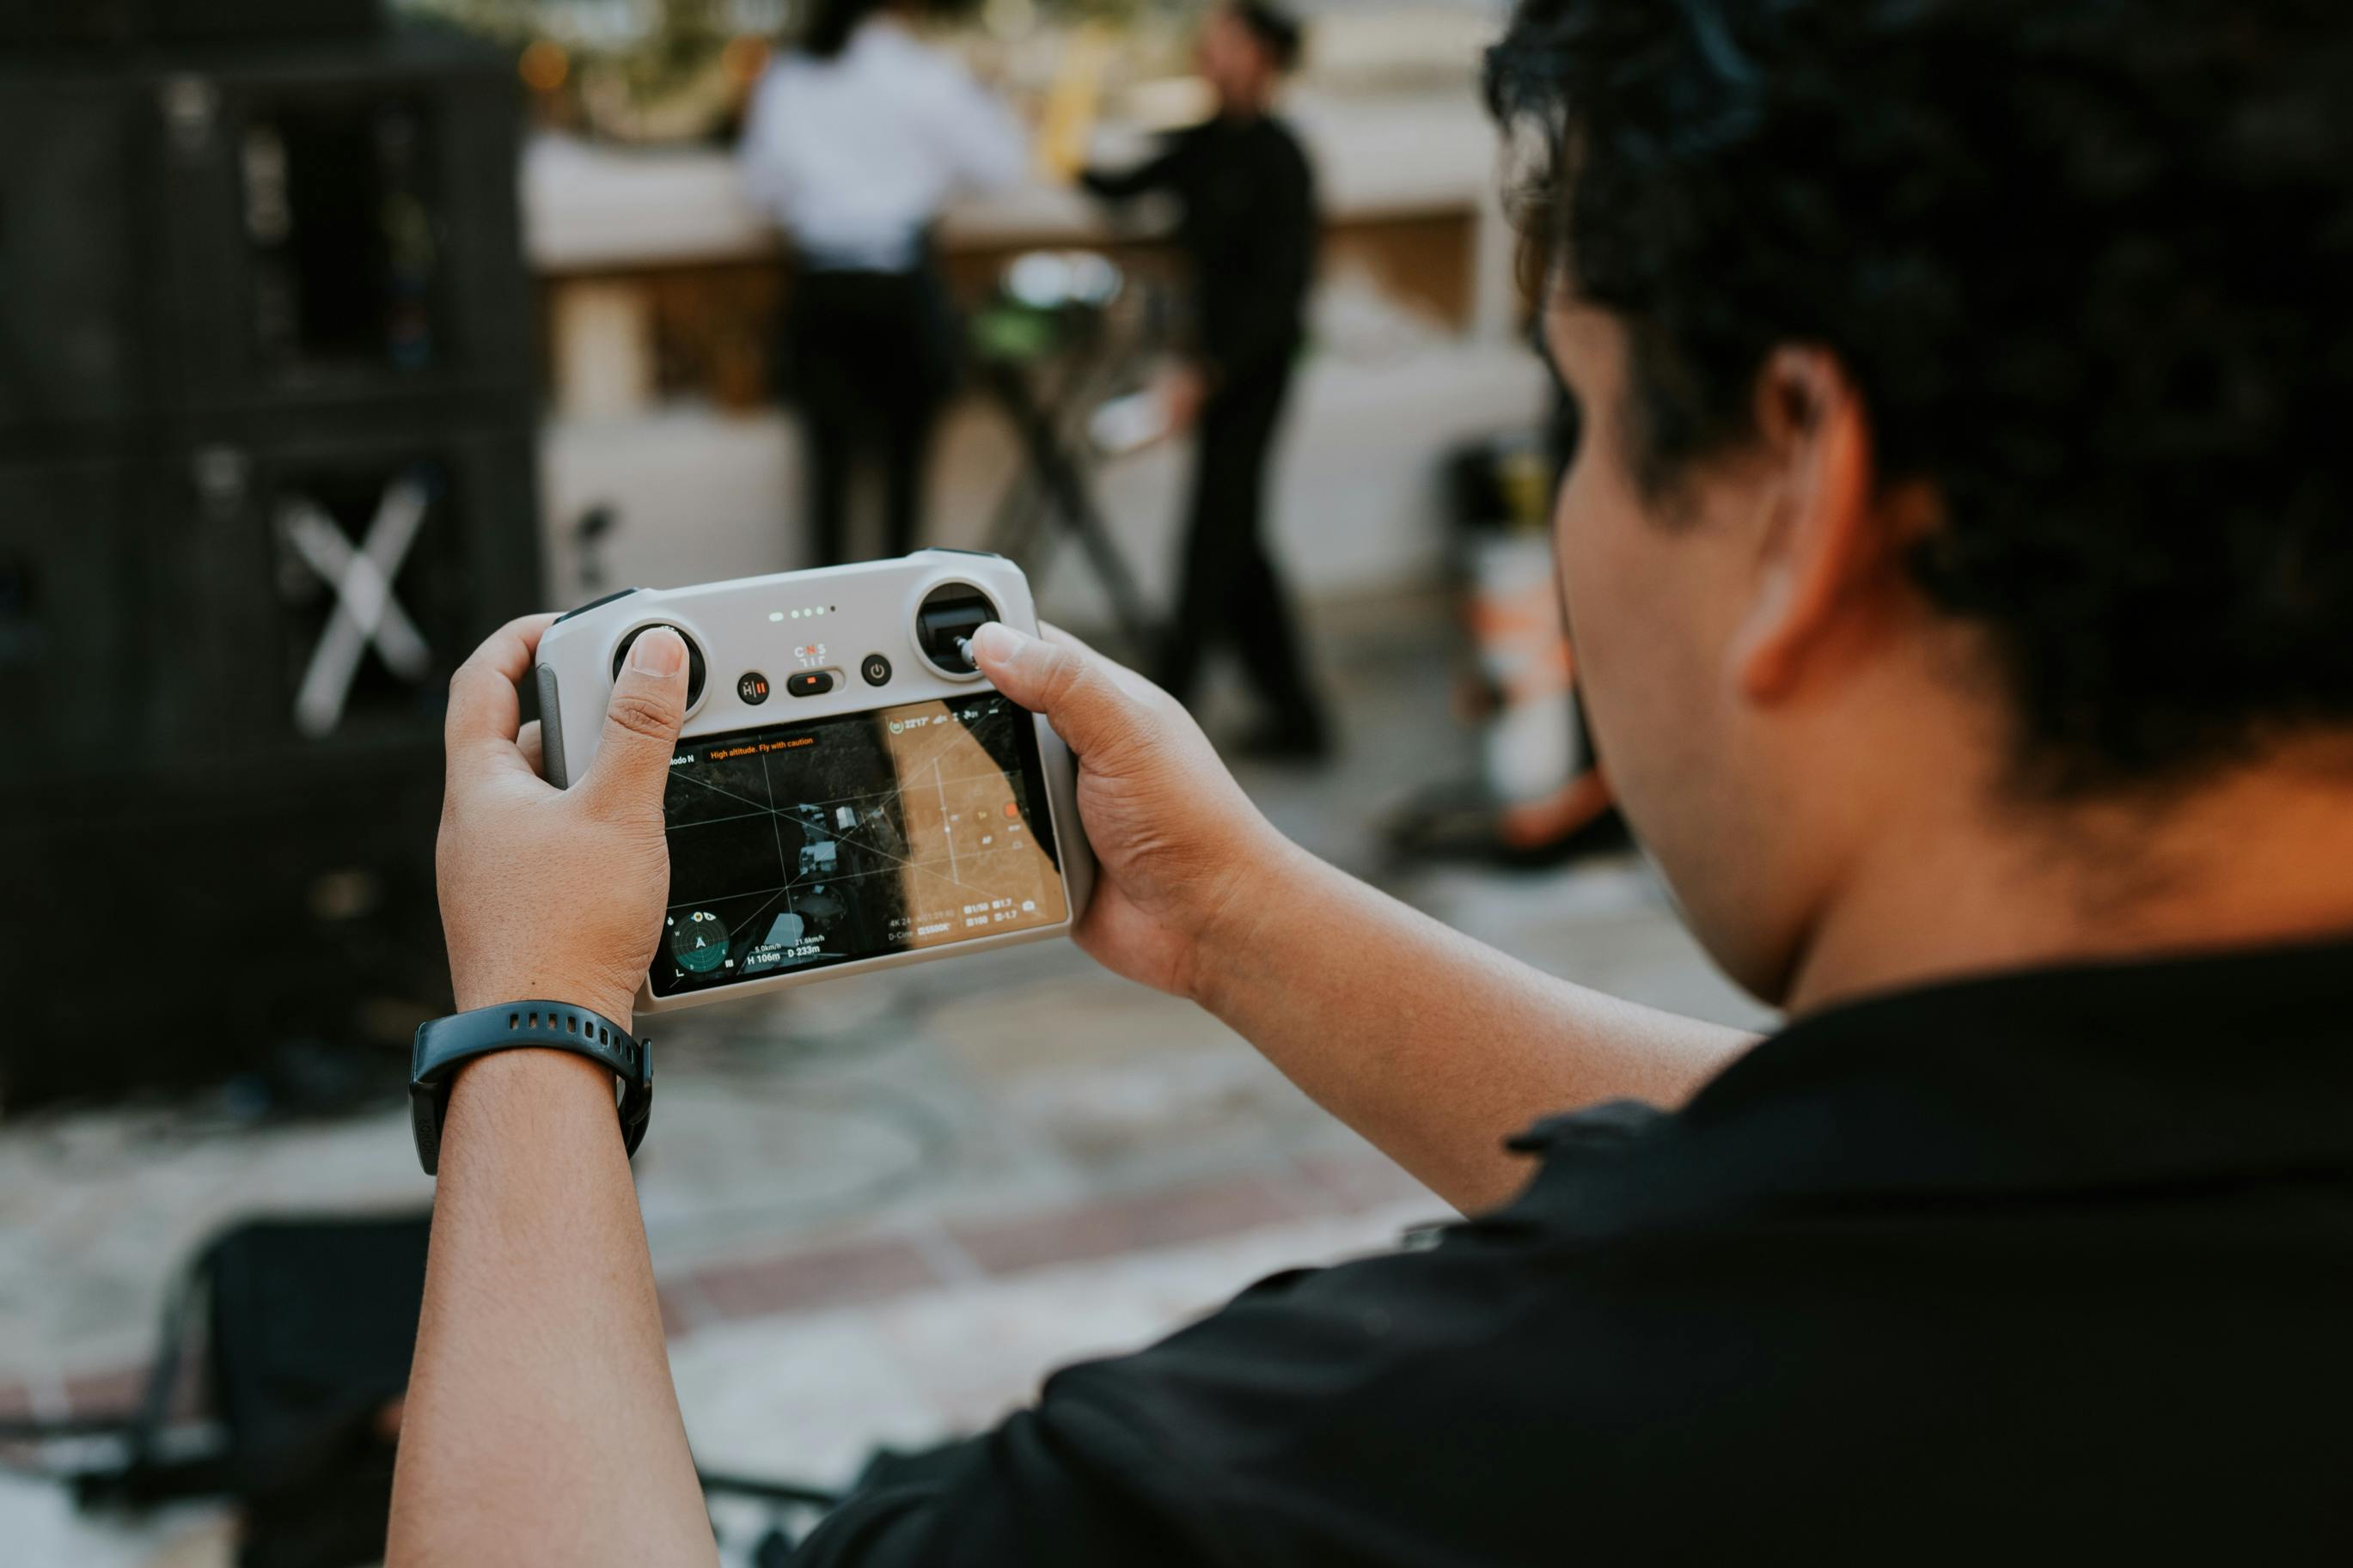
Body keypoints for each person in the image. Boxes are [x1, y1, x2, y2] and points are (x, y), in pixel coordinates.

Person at [389, 2, 2353, 1562]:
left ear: (1797, 493)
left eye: (1572, 404)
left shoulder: (1317, 1476)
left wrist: (536, 1018)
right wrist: (1240, 918)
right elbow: (1918, 1176)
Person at [1083, 2, 1332, 760]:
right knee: (1237, 542)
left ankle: (1157, 733)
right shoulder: (1201, 146)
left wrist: (1205, 375)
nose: (1207, 47)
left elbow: (1282, 294)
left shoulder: (1284, 158)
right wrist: (1056, 127)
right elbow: (1116, 188)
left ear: (1260, 54)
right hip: (1208, 369)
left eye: (1224, 36)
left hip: (1253, 372)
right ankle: (1300, 720)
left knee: (1209, 544)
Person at [740, 0, 1025, 564]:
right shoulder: (925, 73)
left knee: (828, 485)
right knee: (905, 480)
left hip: (823, 291)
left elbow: (760, 188)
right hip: (901, 292)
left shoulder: (791, 76)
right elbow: (1001, 165)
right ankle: (899, 637)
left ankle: (819, 640)